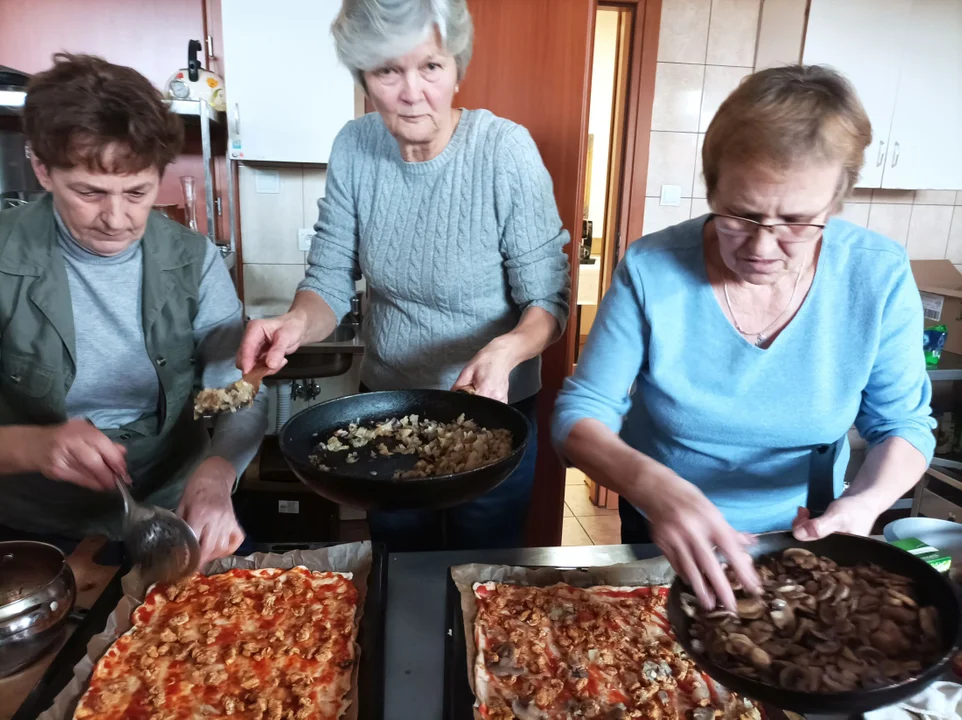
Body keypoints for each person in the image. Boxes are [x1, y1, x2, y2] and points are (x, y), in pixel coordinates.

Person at [552, 65, 935, 610]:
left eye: (799, 221)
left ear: (837, 200)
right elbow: (579, 415)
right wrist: (656, 490)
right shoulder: (652, 268)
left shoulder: (877, 274)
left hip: (804, 533)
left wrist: (863, 503)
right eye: (739, 215)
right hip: (668, 526)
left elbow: (903, 424)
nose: (761, 246)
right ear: (713, 187)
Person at [237, 0, 570, 552]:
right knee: (398, 561)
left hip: (492, 411)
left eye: (431, 67)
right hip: (389, 412)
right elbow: (327, 281)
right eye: (388, 70)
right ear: (364, 78)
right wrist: (296, 322)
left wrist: (507, 350)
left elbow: (547, 303)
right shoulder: (354, 146)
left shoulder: (503, 152)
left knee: (480, 569)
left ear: (457, 69)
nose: (412, 92)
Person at [0, 54, 267, 563]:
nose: (116, 219)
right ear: (42, 168)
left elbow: (238, 394)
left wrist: (217, 473)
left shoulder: (192, 260)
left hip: (175, 509)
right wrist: (33, 446)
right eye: (89, 192)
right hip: (40, 531)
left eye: (138, 191)